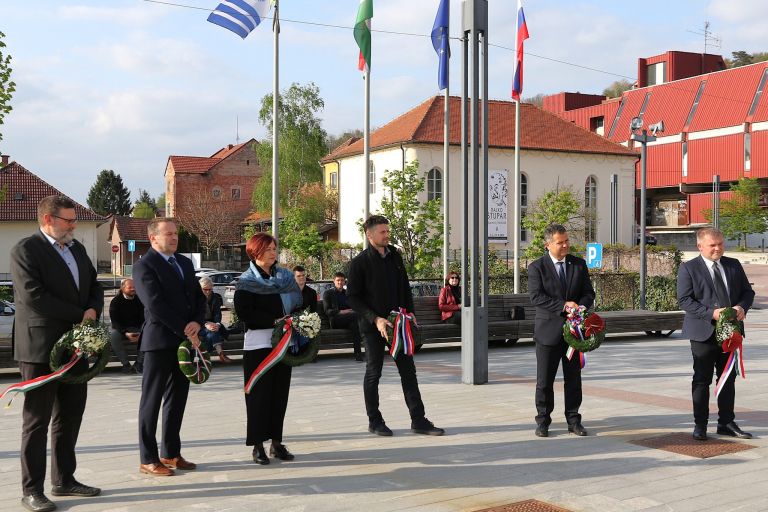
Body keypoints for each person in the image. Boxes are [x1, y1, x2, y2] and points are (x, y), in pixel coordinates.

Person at [10, 195, 104, 512]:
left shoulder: (76, 249)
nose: (74, 226)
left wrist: (92, 310)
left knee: (70, 415)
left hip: (75, 347)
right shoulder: (26, 250)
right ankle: (32, 490)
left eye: (75, 220)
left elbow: (94, 285)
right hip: (40, 348)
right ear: (48, 219)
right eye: (69, 220)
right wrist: (80, 314)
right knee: (36, 422)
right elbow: (34, 296)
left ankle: (64, 479)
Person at [347, 215, 444, 437]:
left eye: (387, 231)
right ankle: (375, 421)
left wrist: (411, 313)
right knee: (374, 372)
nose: (387, 235)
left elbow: (404, 287)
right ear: (369, 234)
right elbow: (352, 298)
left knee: (409, 372)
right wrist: (375, 319)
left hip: (399, 325)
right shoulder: (359, 263)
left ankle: (418, 420)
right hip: (373, 327)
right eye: (382, 232)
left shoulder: (395, 256)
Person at [133, 218, 206, 477]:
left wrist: (197, 321)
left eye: (176, 233)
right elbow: (155, 304)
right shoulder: (144, 266)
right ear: (153, 238)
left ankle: (171, 452)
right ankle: (148, 458)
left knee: (177, 399)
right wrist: (185, 328)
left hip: (184, 341)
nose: (174, 238)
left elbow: (198, 297)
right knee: (151, 402)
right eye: (168, 234)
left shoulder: (184, 263)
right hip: (159, 342)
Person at [677, 227, 755, 441]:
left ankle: (726, 422)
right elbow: (684, 300)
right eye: (712, 245)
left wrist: (741, 307)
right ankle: (700, 425)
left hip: (730, 332)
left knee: (728, 378)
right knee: (702, 380)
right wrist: (711, 313)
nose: (718, 248)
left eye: (720, 244)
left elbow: (748, 292)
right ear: (700, 246)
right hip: (703, 332)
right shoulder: (689, 268)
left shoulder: (733, 265)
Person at [235, 233, 302, 465]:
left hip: (283, 343)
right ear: (256, 251)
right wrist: (274, 321)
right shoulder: (246, 281)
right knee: (258, 397)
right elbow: (245, 313)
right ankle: (257, 446)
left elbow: (298, 303)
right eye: (268, 249)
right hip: (258, 345)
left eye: (274, 248)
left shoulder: (284, 277)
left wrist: (296, 319)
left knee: (279, 395)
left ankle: (276, 442)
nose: (273, 252)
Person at [527, 224, 595, 438]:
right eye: (560, 242)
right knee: (544, 381)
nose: (565, 245)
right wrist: (564, 306)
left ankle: (574, 420)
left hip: (573, 334)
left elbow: (589, 293)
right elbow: (536, 297)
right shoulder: (537, 267)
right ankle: (543, 421)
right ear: (548, 244)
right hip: (548, 333)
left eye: (567, 241)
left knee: (573, 379)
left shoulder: (578, 264)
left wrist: (580, 307)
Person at [323, 272, 364, 361]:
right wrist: (341, 312)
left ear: (344, 282)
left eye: (342, 280)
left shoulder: (347, 293)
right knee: (357, 316)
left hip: (350, 319)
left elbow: (353, 306)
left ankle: (358, 354)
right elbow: (327, 311)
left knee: (355, 326)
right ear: (334, 281)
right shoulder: (328, 293)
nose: (340, 282)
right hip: (336, 320)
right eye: (338, 280)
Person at [109, 278, 145, 374]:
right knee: (113, 336)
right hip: (121, 329)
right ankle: (126, 364)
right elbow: (115, 322)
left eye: (134, 287)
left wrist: (140, 332)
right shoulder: (116, 301)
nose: (133, 289)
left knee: (148, 333)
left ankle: (139, 363)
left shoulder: (139, 300)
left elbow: (144, 319)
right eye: (130, 287)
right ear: (123, 288)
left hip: (136, 328)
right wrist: (125, 333)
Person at [198, 276, 232, 364]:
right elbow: (195, 316)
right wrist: (206, 324)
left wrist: (217, 324)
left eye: (210, 289)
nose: (208, 291)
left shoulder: (215, 297)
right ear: (200, 288)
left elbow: (218, 313)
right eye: (205, 289)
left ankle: (205, 358)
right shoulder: (196, 298)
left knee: (212, 333)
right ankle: (221, 354)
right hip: (199, 325)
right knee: (211, 334)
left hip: (213, 324)